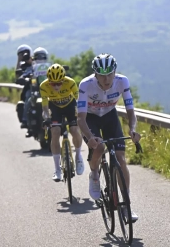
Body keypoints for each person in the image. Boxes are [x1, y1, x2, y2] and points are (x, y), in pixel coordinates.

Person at [77, 53, 141, 222]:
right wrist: (89, 137)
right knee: (98, 147)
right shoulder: (86, 85)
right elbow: (80, 118)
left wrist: (132, 129)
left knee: (120, 159)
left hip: (110, 116)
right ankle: (94, 174)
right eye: (102, 75)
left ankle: (126, 206)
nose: (106, 79)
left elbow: (130, 111)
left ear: (115, 72)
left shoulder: (122, 81)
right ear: (95, 74)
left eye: (109, 74)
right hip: (90, 118)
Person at [40, 63, 84, 181]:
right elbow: (45, 107)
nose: (56, 86)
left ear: (63, 79)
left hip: (70, 106)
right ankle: (57, 169)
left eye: (59, 83)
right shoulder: (43, 86)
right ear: (48, 81)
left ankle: (78, 156)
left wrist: (80, 113)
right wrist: (46, 118)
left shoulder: (70, 82)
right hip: (55, 108)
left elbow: (79, 100)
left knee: (74, 130)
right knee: (55, 132)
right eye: (53, 83)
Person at [15, 45, 51, 137]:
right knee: (28, 99)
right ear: (34, 57)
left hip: (49, 91)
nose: (40, 58)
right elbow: (24, 74)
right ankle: (25, 120)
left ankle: (64, 121)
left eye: (42, 56)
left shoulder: (50, 67)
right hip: (36, 90)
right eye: (38, 56)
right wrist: (23, 77)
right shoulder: (32, 67)